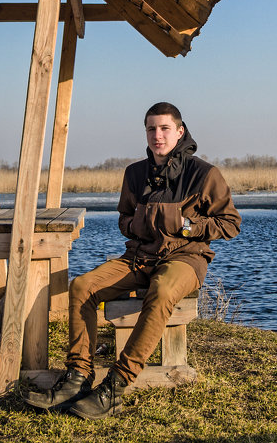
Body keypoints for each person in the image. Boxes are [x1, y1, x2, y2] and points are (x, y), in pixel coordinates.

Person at [24, 102, 241, 419]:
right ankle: (78, 378)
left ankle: (115, 386)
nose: (158, 135)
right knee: (82, 287)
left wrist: (188, 226)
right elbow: (124, 218)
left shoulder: (205, 174)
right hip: (139, 256)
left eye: (165, 128)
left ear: (180, 132)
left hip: (186, 257)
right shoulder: (135, 173)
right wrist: (137, 223)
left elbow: (230, 224)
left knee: (163, 291)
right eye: (152, 128)